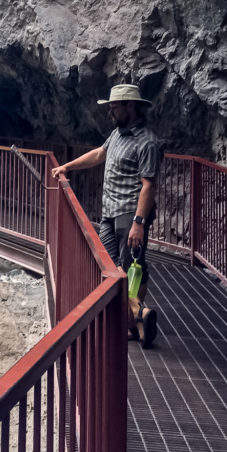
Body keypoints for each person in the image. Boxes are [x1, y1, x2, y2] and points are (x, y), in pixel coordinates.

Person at [51, 83, 162, 348]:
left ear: (130, 106)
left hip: (129, 215)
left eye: (114, 107)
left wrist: (139, 223)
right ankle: (139, 316)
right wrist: (68, 166)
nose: (110, 111)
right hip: (109, 213)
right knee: (111, 270)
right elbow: (100, 154)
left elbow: (148, 185)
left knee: (126, 269)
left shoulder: (147, 142)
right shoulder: (117, 134)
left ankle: (135, 324)